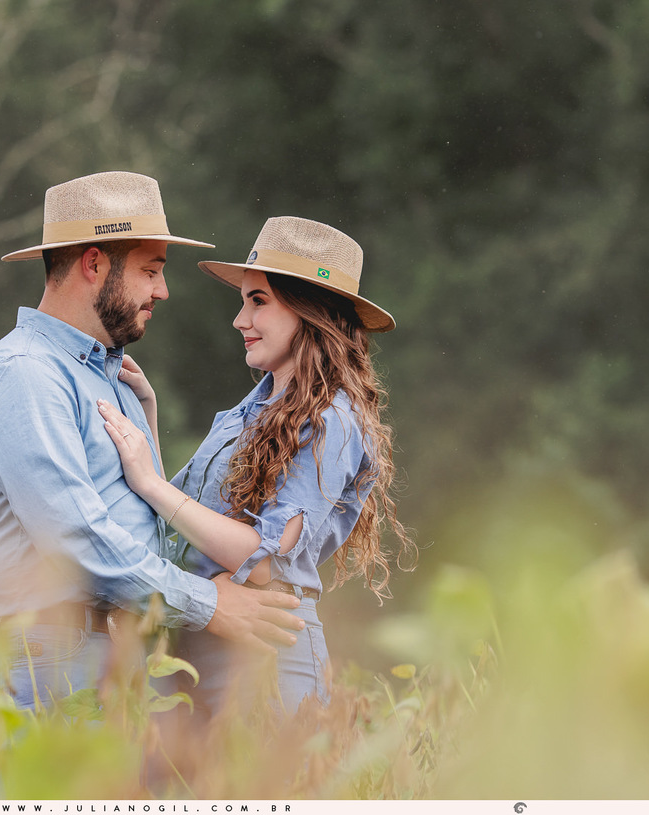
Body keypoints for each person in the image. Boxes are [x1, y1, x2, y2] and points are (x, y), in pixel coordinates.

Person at [0, 172, 303, 710]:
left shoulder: (106, 378)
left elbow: (141, 526)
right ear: (93, 265)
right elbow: (76, 538)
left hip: (111, 659)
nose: (163, 290)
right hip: (52, 667)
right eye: (150, 271)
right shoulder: (25, 375)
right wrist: (209, 603)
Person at [98, 215, 417, 718]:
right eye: (243, 301)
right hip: (200, 644)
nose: (240, 320)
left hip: (265, 655)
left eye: (259, 301)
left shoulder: (334, 420)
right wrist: (148, 412)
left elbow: (263, 560)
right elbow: (186, 523)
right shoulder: (249, 411)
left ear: (312, 311)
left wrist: (150, 484)